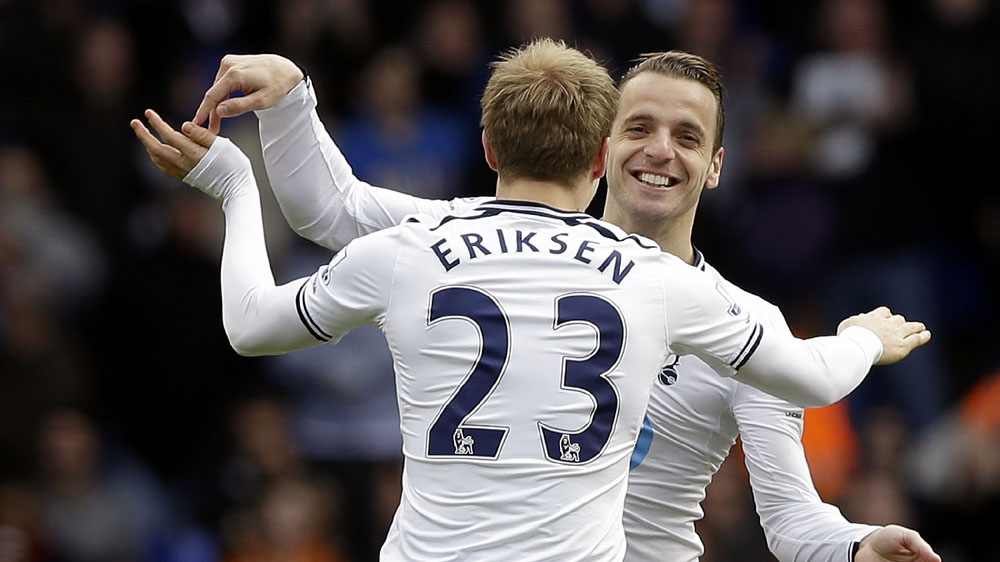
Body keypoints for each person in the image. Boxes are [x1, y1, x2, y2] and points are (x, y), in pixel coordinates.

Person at [134, 40, 930, 561]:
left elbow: (796, 525)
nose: (659, 150)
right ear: (601, 148)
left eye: (687, 137)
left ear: (717, 166)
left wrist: (859, 545)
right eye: (639, 127)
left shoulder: (444, 243)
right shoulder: (464, 244)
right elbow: (331, 210)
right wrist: (295, 97)